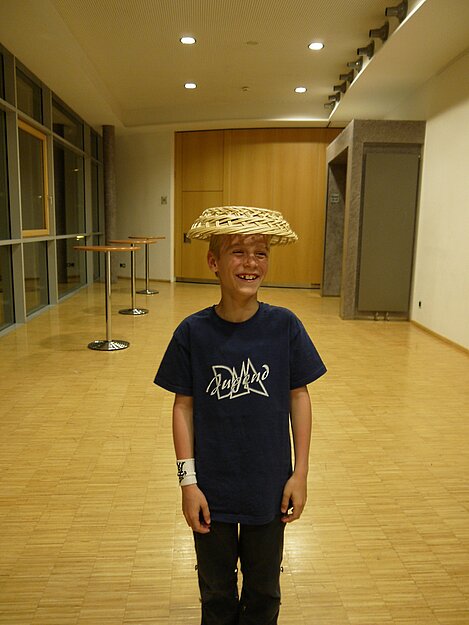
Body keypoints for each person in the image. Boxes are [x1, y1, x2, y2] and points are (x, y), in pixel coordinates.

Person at [154, 206, 326, 625]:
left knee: (264, 591)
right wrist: (188, 483)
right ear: (213, 261)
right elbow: (183, 407)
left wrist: (300, 473)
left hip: (269, 487)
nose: (251, 263)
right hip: (211, 488)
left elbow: (299, 398)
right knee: (216, 591)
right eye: (238, 252)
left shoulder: (284, 326)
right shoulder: (192, 332)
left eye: (260, 253)